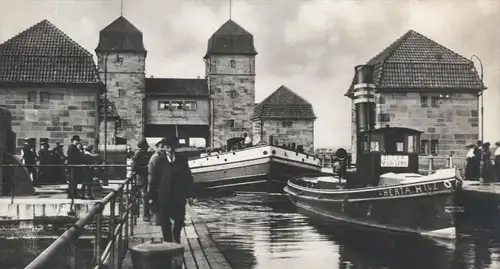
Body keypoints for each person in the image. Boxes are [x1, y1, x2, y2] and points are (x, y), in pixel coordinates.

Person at [147, 136, 194, 243]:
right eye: (167, 147)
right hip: (164, 195)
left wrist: (190, 194)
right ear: (164, 148)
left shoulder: (181, 160)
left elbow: (188, 177)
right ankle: (168, 242)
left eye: (171, 147)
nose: (169, 149)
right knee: (165, 221)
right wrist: (151, 196)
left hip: (179, 195)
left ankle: (176, 237)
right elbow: (154, 180)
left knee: (179, 219)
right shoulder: (159, 161)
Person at [131, 138, 152, 221]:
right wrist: (146, 168)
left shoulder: (143, 152)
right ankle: (145, 215)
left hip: (145, 177)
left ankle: (145, 213)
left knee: (145, 196)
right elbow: (134, 167)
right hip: (141, 178)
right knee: (145, 196)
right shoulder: (139, 153)